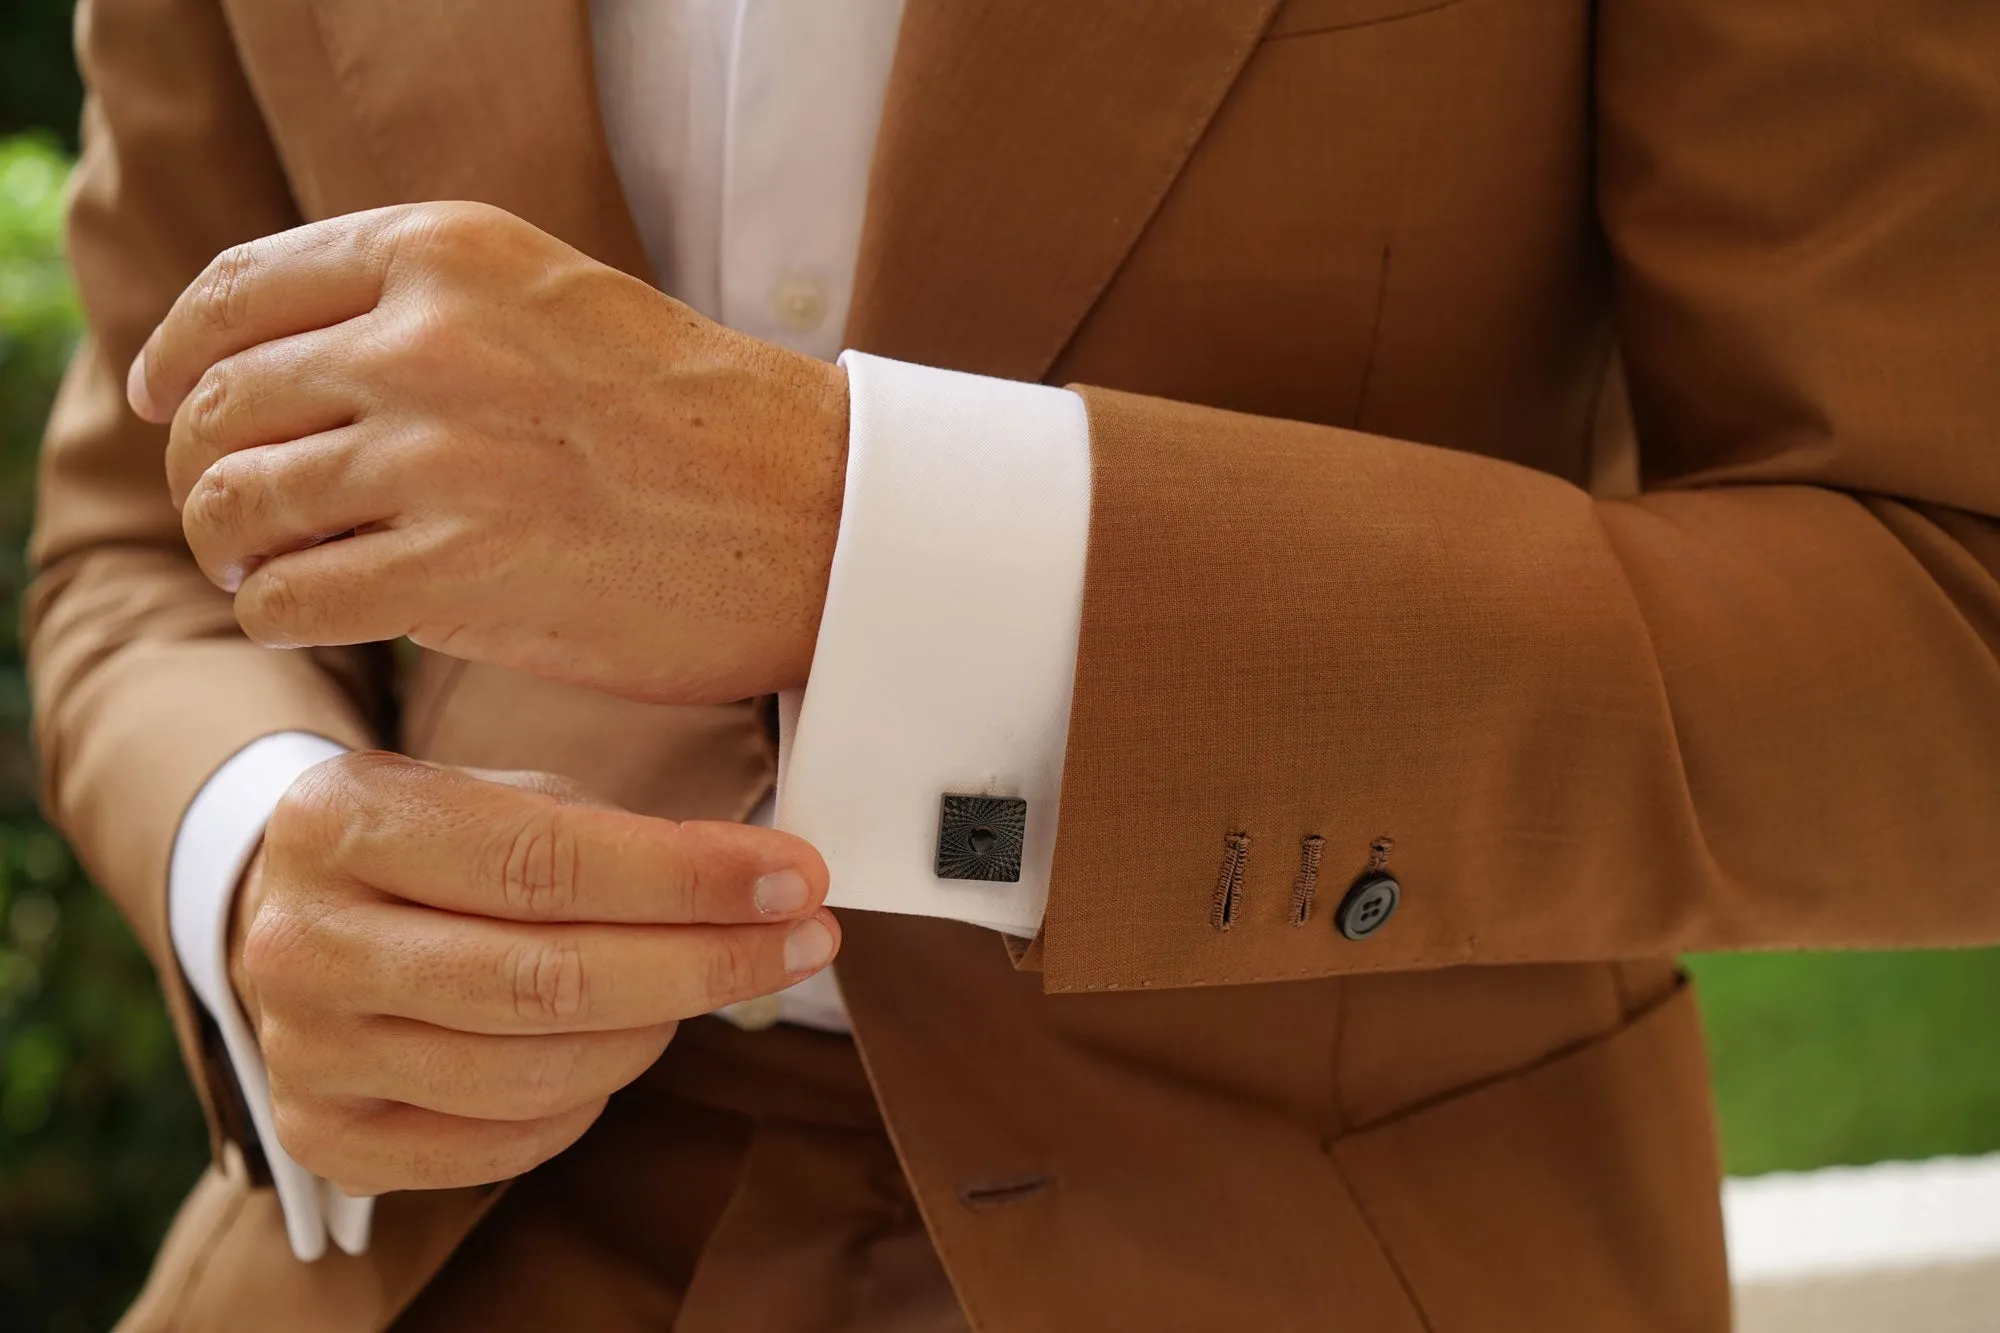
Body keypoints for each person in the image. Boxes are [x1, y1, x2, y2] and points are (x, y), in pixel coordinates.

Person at [28, 0, 2000, 1329]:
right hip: (421, 1263)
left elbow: (1944, 622)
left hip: (1336, 1251)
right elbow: (143, 533)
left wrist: (857, 537)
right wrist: (258, 853)